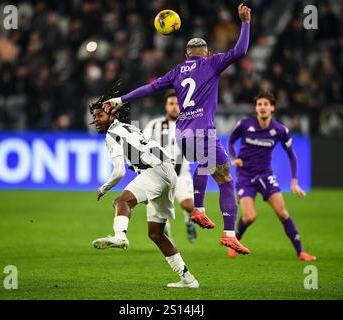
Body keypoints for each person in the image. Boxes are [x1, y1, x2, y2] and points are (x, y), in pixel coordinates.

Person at [103, 3, 252, 255]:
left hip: (181, 132)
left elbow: (149, 88)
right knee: (226, 179)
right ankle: (224, 230)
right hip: (202, 129)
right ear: (206, 53)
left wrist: (121, 99)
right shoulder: (213, 63)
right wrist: (245, 22)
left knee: (207, 165)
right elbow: (241, 50)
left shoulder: (176, 71)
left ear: (186, 56)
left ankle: (201, 211)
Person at [90, 102, 199, 288]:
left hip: (155, 171)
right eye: (94, 117)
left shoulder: (112, 135)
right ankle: (188, 279)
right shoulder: (128, 127)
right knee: (156, 234)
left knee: (121, 201)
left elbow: (119, 172)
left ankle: (120, 235)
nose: (96, 120)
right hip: (169, 172)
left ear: (112, 116)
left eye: (100, 116)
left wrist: (103, 188)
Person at [227, 91, 317, 261]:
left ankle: (300, 252)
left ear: (272, 108)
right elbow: (231, 140)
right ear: (256, 108)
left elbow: (292, 155)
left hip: (266, 175)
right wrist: (234, 158)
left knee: (282, 213)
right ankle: (235, 240)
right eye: (259, 104)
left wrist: (294, 182)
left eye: (266, 104)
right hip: (245, 176)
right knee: (249, 216)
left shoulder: (280, 130)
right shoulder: (244, 124)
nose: (262, 107)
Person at [143, 91, 197, 243]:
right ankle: (168, 239)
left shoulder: (190, 124)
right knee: (161, 213)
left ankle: (189, 221)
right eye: (171, 104)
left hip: (181, 175)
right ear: (166, 107)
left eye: (177, 104)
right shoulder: (154, 125)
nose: (174, 107)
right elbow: (143, 144)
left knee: (189, 206)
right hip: (160, 176)